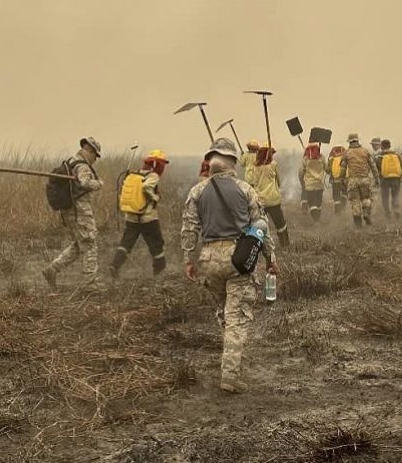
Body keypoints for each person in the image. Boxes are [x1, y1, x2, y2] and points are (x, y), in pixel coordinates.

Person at [182, 138, 277, 394]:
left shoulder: (197, 191)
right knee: (237, 318)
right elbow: (261, 228)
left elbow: (189, 228)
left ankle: (230, 363)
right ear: (233, 162)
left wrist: (189, 260)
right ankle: (230, 376)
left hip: (209, 259)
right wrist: (271, 259)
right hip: (238, 259)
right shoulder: (246, 190)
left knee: (224, 313)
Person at [43, 137, 104, 290]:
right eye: (95, 156)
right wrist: (99, 184)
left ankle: (52, 269)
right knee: (90, 244)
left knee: (78, 245)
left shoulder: (70, 162)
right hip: (80, 212)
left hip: (70, 212)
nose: (95, 160)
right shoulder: (82, 166)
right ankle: (90, 283)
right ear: (89, 151)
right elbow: (85, 183)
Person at [109, 149, 169, 279]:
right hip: (148, 218)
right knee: (157, 244)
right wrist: (155, 197)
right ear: (157, 164)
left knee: (126, 243)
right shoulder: (153, 176)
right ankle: (159, 273)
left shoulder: (134, 174)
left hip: (131, 217)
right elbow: (146, 187)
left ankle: (115, 266)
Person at [248, 143, 289, 248]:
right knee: (280, 224)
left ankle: (256, 246)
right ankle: (285, 244)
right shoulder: (273, 165)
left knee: (259, 225)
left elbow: (253, 182)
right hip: (273, 200)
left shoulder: (254, 167)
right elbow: (278, 181)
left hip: (261, 201)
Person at [341, 134, 379, 228]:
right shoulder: (365, 151)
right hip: (365, 179)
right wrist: (376, 178)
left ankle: (358, 224)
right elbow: (373, 166)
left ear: (349, 142)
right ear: (358, 141)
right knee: (366, 198)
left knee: (355, 201)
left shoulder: (346, 153)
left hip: (353, 180)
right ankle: (366, 213)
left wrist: (342, 179)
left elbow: (343, 169)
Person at [299, 142, 326, 224]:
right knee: (318, 204)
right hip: (320, 185)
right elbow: (327, 168)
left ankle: (316, 220)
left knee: (312, 204)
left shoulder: (306, 159)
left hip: (309, 186)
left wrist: (302, 181)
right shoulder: (322, 158)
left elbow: (301, 172)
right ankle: (318, 220)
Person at [378, 139, 402, 219]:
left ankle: (388, 214)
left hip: (384, 179)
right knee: (395, 195)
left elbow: (378, 167)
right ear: (390, 145)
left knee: (385, 197)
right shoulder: (396, 154)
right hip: (396, 178)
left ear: (382, 146)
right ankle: (396, 210)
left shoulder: (380, 155)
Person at [326, 145, 347, 214]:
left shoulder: (331, 159)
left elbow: (328, 170)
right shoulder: (345, 158)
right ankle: (343, 206)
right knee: (344, 193)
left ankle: (337, 213)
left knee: (336, 196)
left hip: (334, 180)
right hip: (344, 180)